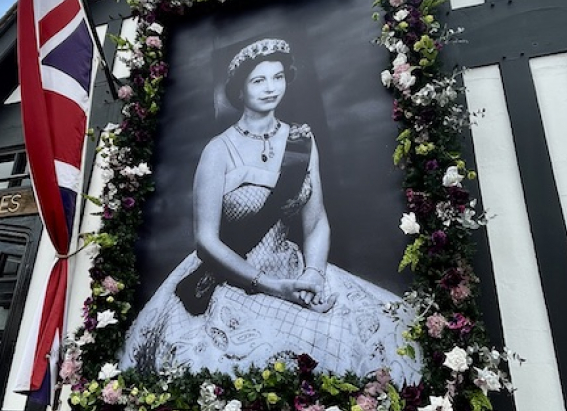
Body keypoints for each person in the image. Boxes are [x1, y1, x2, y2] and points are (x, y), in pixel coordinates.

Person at [119, 39, 420, 383]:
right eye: (258, 80)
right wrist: (273, 287)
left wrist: (313, 276)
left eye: (277, 77)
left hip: (292, 268)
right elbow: (205, 240)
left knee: (380, 330)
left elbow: (317, 220)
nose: (270, 88)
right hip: (228, 278)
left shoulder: (302, 141)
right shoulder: (218, 151)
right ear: (240, 90)